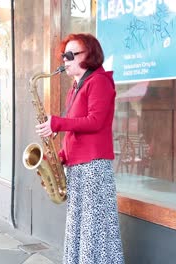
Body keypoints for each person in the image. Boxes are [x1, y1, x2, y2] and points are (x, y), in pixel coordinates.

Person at [35, 33, 124, 264]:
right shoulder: (75, 87)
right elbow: (76, 132)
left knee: (95, 230)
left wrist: (58, 123)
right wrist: (59, 157)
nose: (65, 59)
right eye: (64, 55)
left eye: (71, 54)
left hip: (93, 167)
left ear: (90, 56)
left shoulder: (100, 82)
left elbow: (95, 121)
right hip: (79, 167)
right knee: (81, 227)